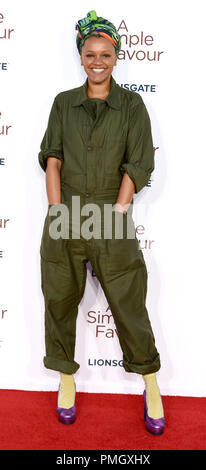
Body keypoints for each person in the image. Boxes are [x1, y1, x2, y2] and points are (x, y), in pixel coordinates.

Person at [38, 10, 165, 435]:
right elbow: (52, 159)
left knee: (129, 305)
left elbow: (139, 161)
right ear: (80, 56)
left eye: (105, 54)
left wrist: (119, 211)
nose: (97, 61)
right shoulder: (63, 103)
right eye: (90, 54)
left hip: (112, 218)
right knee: (59, 301)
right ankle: (67, 381)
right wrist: (58, 213)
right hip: (66, 216)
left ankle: (151, 385)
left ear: (116, 56)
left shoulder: (131, 104)